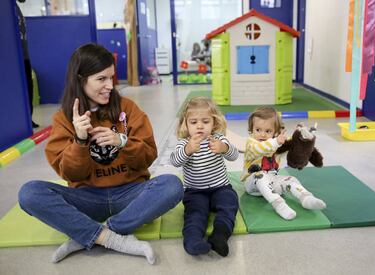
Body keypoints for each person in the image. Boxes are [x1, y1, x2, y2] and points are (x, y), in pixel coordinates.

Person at [18, 43, 183, 264]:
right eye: (101, 79)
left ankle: (93, 234)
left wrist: (121, 142)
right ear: (81, 79)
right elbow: (70, 174)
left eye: (111, 78)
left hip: (130, 194)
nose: (110, 86)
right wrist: (80, 140)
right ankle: (109, 237)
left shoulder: (128, 108)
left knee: (172, 185)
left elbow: (149, 155)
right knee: (29, 193)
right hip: (87, 198)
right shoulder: (63, 119)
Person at [170, 97, 239, 257]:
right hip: (195, 192)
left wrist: (224, 148)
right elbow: (174, 161)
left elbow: (234, 155)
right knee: (195, 214)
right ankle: (193, 241)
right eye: (193, 122)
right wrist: (187, 150)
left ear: (214, 123)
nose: (199, 126)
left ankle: (220, 236)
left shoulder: (218, 139)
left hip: (221, 188)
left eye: (205, 121)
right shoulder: (184, 143)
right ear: (185, 124)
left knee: (229, 205)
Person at [241, 107, 326, 220]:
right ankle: (279, 204)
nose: (262, 135)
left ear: (275, 132)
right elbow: (260, 149)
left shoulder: (276, 144)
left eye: (268, 131)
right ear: (251, 129)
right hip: (252, 183)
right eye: (258, 130)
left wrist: (301, 136)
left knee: (290, 179)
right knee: (260, 176)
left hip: (271, 182)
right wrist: (276, 142)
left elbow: (292, 143)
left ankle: (306, 198)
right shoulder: (251, 143)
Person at [16, 0, 39, 128]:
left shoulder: (17, 8)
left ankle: (28, 119)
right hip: (15, 59)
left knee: (29, 88)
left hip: (24, 57)